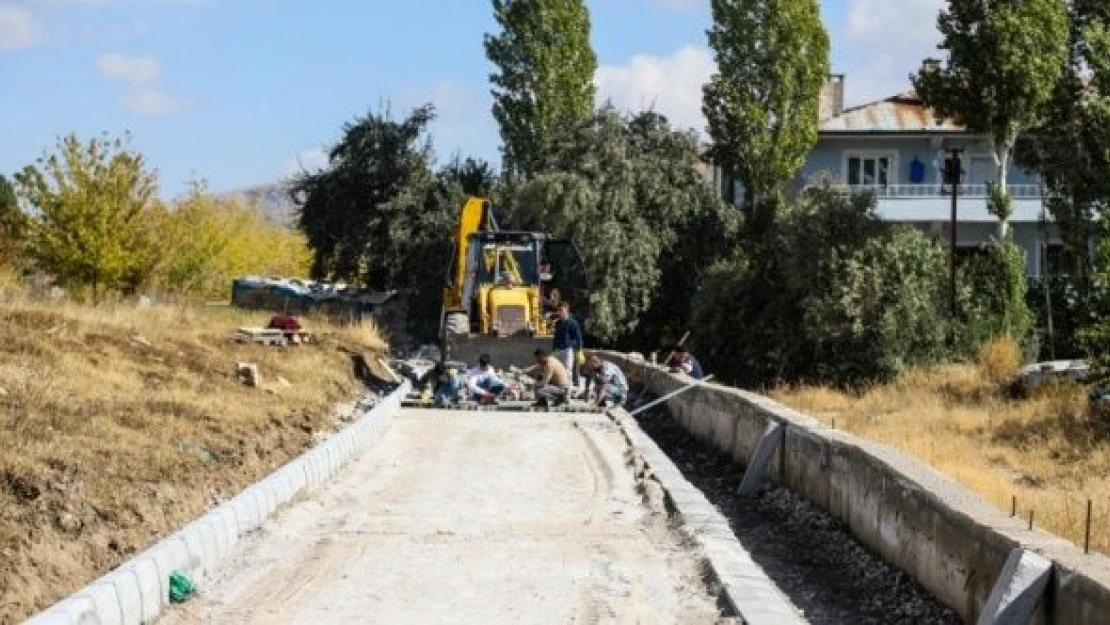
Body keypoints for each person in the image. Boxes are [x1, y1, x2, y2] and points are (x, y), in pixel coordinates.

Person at [552, 302, 584, 390]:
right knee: (557, 370)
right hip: (557, 350)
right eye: (558, 310)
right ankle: (558, 390)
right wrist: (554, 349)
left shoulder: (572, 323)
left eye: (561, 310)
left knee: (567, 370)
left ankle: (567, 392)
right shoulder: (558, 323)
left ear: (567, 310)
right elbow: (556, 337)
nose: (559, 312)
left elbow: (578, 337)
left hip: (567, 350)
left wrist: (579, 350)